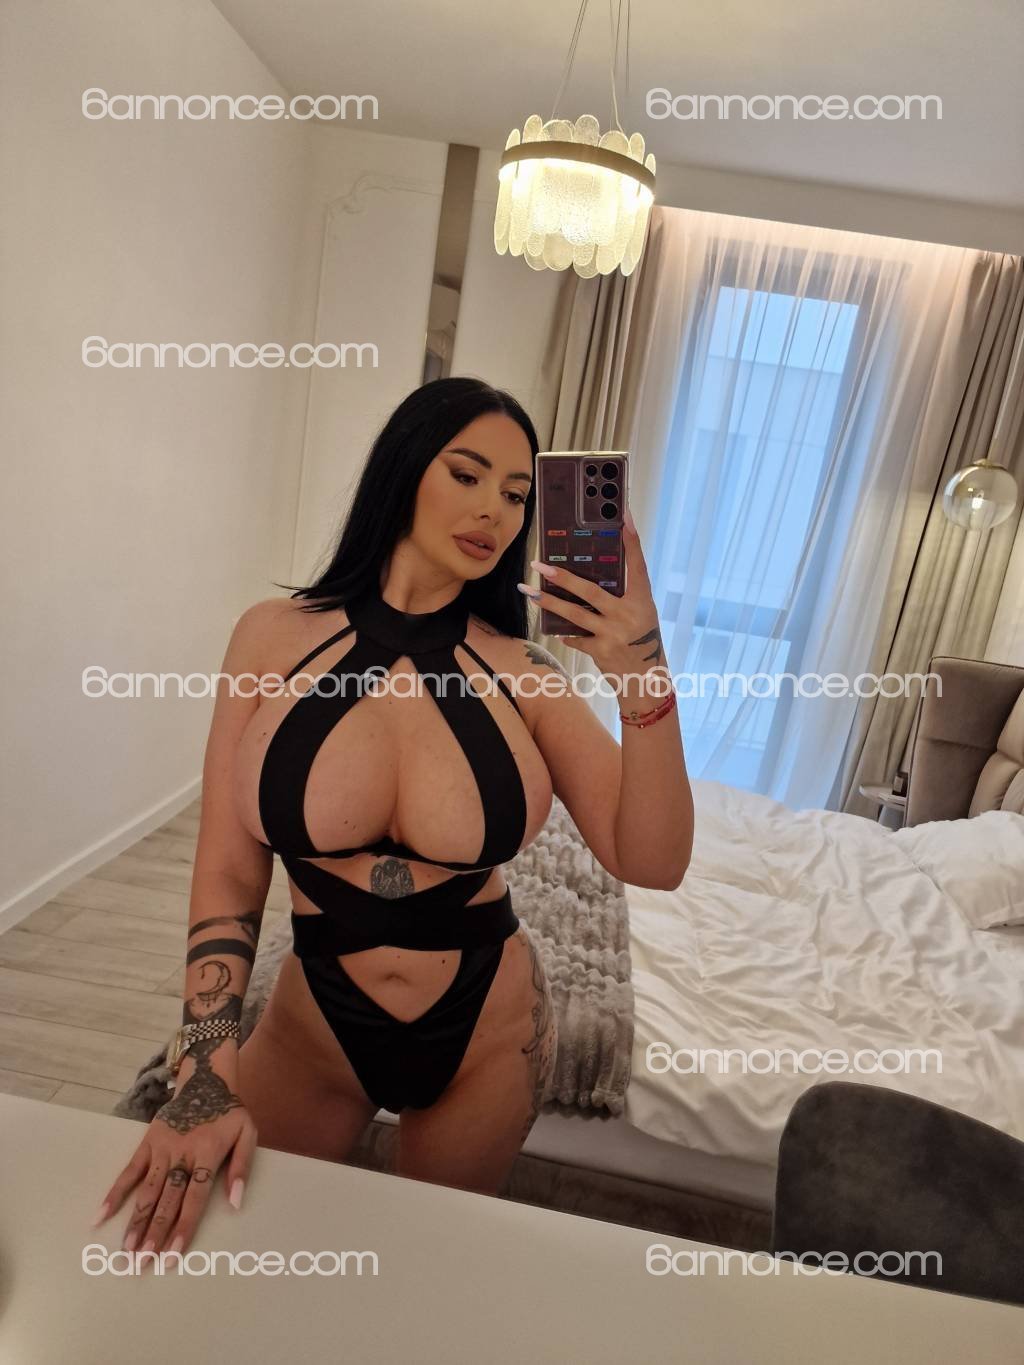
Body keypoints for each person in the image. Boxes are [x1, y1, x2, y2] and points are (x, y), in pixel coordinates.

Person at [92, 377, 694, 1260]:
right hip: (315, 1027)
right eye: (467, 474)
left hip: (488, 1034)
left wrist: (642, 669)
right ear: (404, 468)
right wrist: (203, 1069)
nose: (494, 510)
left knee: (421, 1272)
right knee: (235, 1259)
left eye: (517, 495)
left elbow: (654, 859)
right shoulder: (270, 636)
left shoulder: (527, 672)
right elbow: (227, 866)